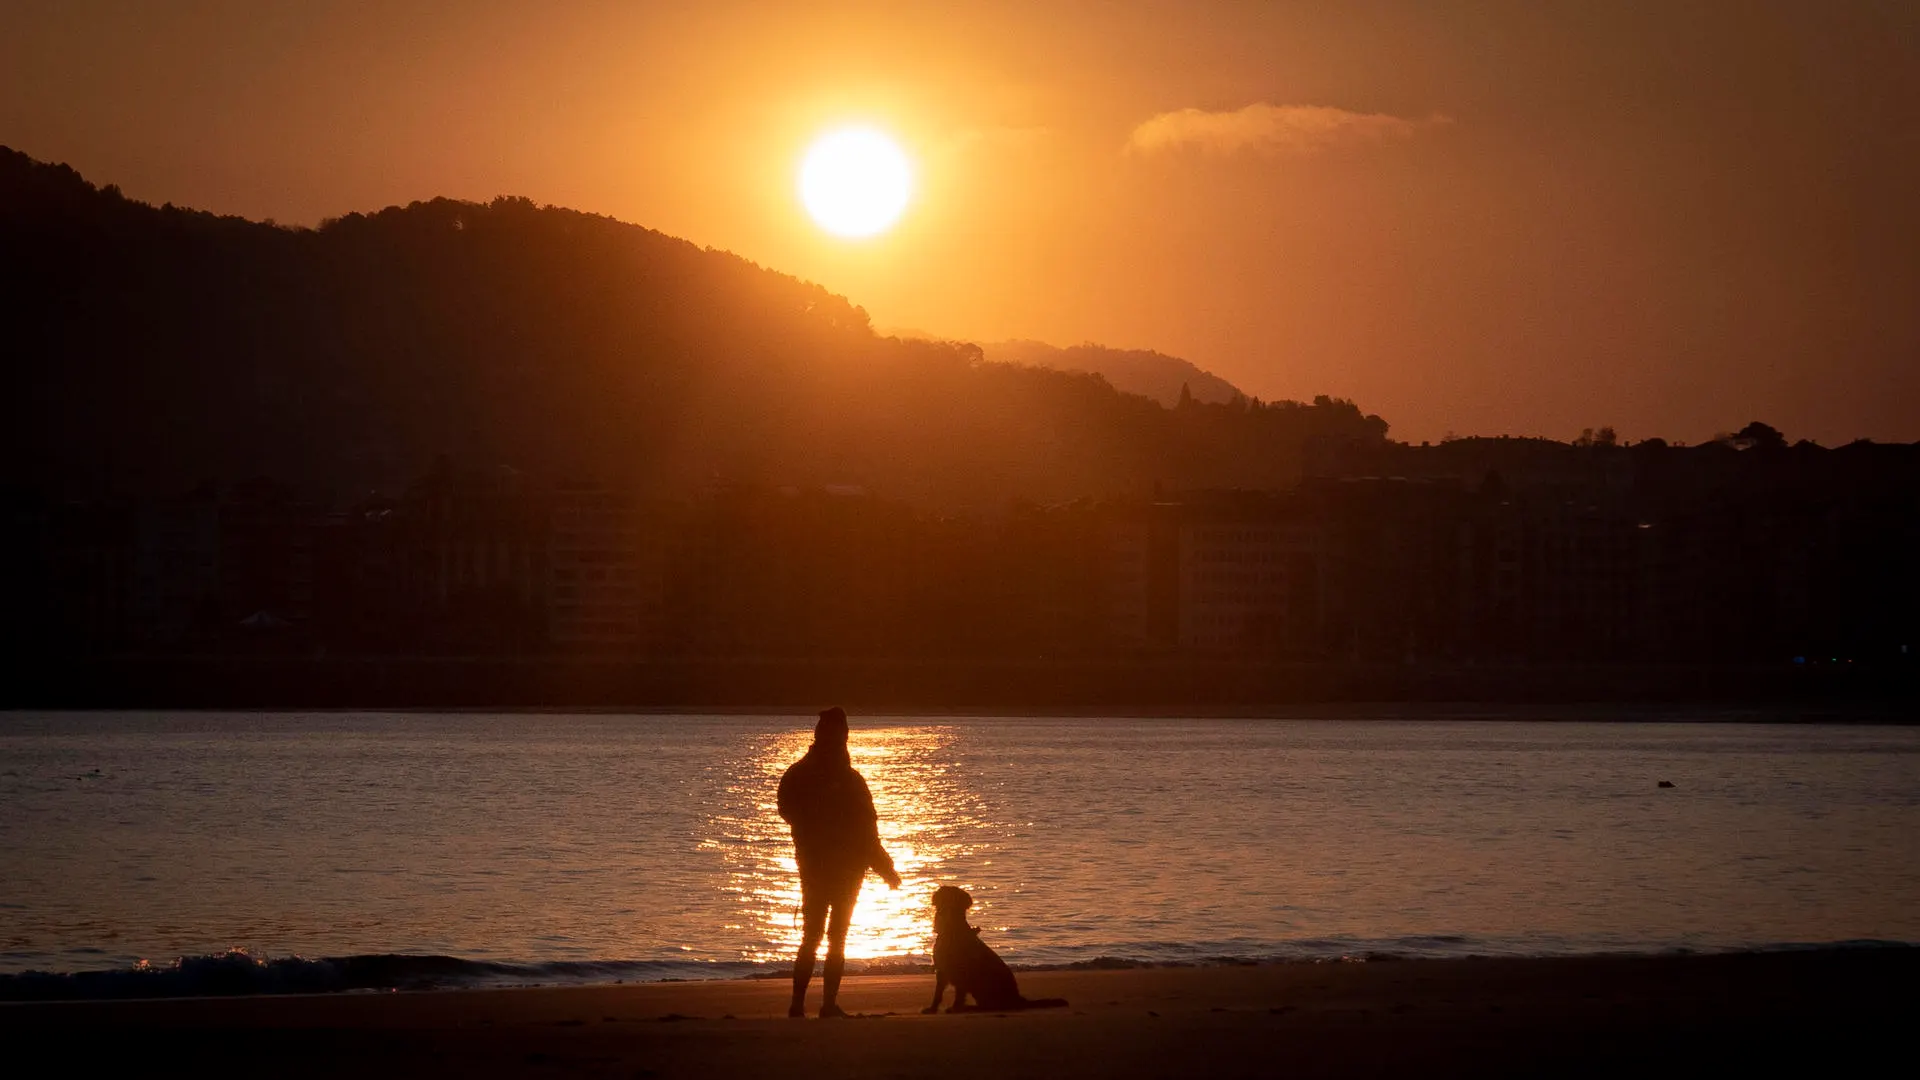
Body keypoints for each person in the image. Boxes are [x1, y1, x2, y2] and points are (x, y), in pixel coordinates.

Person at [777, 706, 901, 1018]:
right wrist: (885, 868)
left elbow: (866, 829)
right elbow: (867, 830)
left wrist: (884, 866)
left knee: (817, 935)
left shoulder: (803, 773)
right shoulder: (841, 778)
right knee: (829, 936)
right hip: (834, 868)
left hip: (820, 866)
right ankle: (820, 1004)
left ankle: (803, 1004)